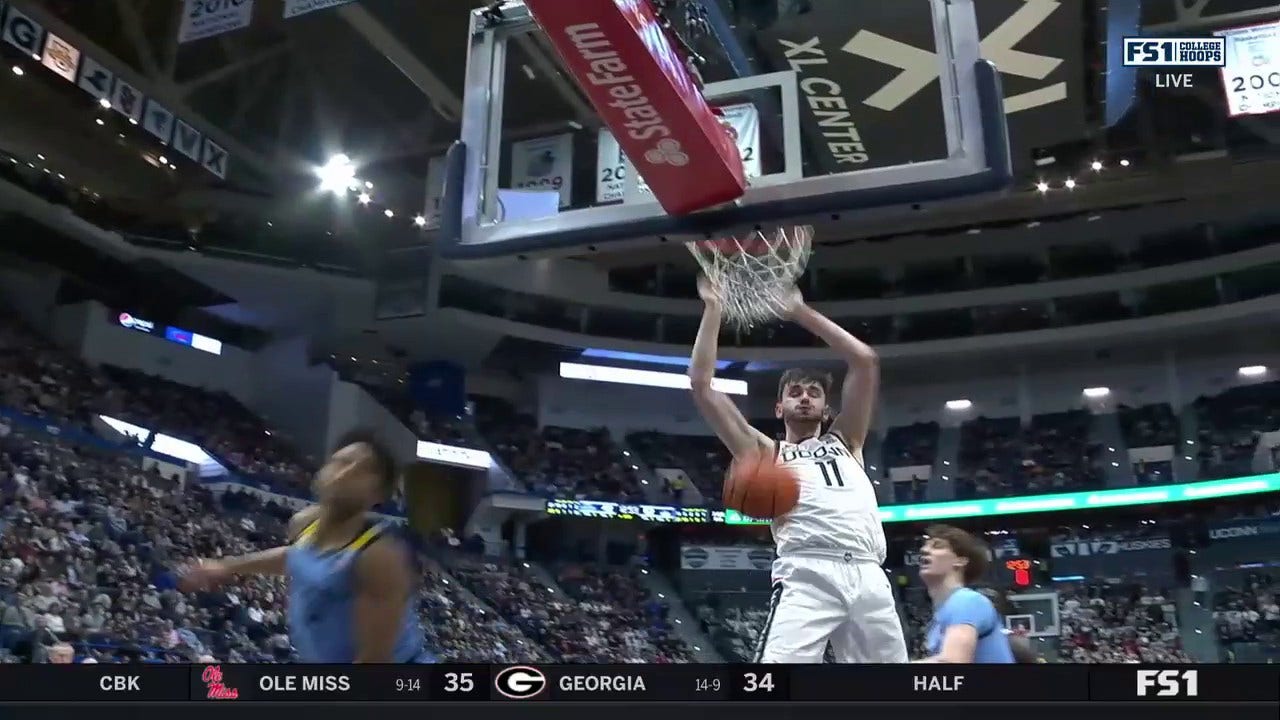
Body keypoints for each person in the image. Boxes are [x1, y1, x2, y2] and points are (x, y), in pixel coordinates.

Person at [688, 277, 906, 663]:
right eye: (795, 393)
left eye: (814, 393)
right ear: (778, 408)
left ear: (826, 410)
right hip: (806, 573)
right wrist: (713, 309)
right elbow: (702, 385)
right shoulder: (764, 451)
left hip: (870, 572)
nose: (805, 397)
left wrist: (799, 312)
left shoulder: (847, 440)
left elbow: (865, 361)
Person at [180, 430, 426, 663]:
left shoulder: (379, 557)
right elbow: (297, 557)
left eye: (361, 471)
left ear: (378, 494)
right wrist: (226, 566)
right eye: (341, 462)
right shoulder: (303, 524)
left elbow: (374, 663)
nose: (345, 473)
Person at [916, 525, 1015, 663]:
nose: (924, 550)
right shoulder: (939, 616)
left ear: (960, 560)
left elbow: (952, 662)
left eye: (937, 546)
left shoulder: (967, 601)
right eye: (925, 546)